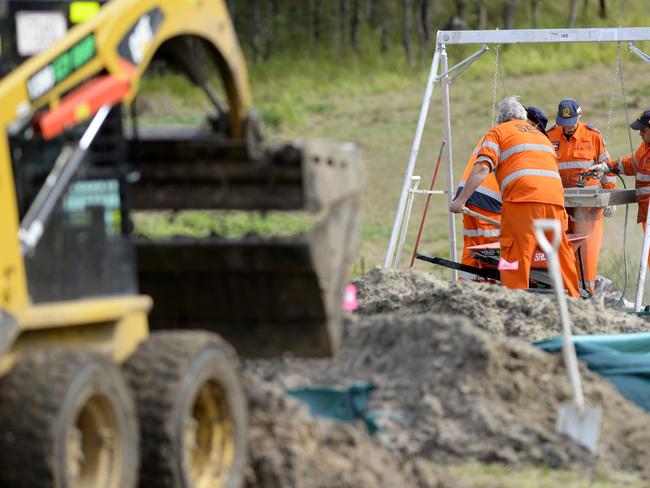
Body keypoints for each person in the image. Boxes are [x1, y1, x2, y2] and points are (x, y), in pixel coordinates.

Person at [450, 96, 580, 297]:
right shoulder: (543, 138)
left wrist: (460, 201)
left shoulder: (498, 132)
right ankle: (576, 302)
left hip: (522, 202)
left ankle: (514, 304)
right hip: (555, 202)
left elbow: (482, 168)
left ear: (502, 119)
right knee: (561, 255)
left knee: (512, 257)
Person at [546, 98, 616, 293]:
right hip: (560, 207)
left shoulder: (592, 136)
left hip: (588, 210)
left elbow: (607, 167)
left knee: (587, 257)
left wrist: (609, 194)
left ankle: (587, 295)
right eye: (563, 124)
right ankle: (565, 295)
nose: (567, 128)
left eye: (571, 124)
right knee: (561, 255)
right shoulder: (550, 136)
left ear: (580, 116)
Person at [591, 109, 650, 262]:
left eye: (643, 130)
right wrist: (606, 167)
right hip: (647, 213)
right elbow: (631, 164)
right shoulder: (645, 147)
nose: (640, 134)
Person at [455, 140, 501, 279]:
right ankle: (493, 290)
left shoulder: (492, 136)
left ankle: (465, 288)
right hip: (490, 201)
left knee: (472, 246)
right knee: (492, 251)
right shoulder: (518, 137)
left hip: (469, 193)